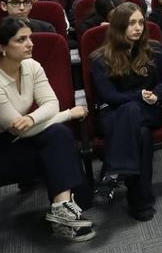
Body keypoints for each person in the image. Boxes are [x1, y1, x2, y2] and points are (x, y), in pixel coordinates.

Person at [0, 18, 96, 242]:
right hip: (3, 150)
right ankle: (66, 212)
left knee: (58, 135)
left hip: (22, 137)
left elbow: (51, 104)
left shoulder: (31, 66)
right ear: (2, 47)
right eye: (21, 40)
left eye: (30, 37)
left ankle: (62, 208)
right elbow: (17, 130)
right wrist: (68, 114)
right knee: (59, 139)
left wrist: (32, 119)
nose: (30, 43)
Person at [90, 3, 162, 221]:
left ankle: (112, 172)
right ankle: (141, 201)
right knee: (141, 134)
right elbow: (110, 96)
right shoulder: (100, 58)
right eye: (131, 23)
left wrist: (158, 93)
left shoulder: (154, 49)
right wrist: (140, 95)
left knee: (134, 114)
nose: (138, 28)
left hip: (149, 110)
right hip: (114, 113)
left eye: (141, 22)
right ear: (119, 26)